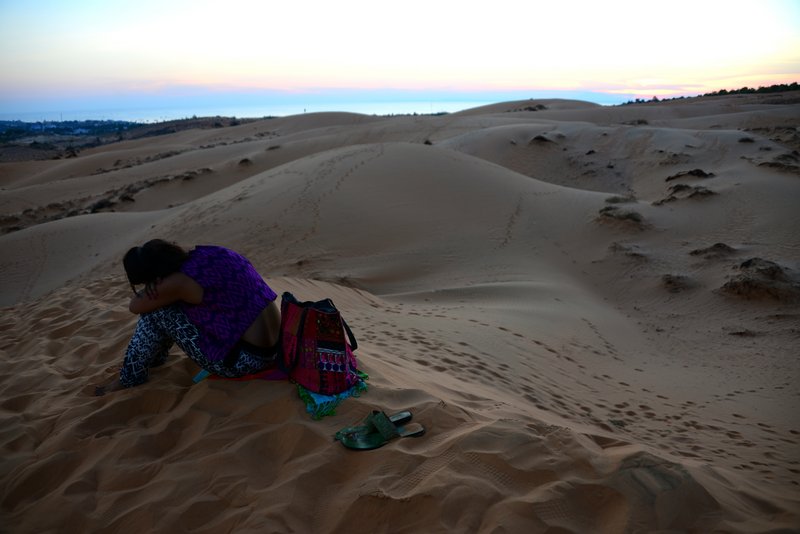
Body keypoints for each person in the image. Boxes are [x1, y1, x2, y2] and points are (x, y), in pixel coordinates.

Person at [95, 239, 281, 395]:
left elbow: (135, 306)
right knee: (167, 304)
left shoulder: (179, 281)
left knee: (156, 312)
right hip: (276, 349)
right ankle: (154, 359)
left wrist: (156, 288)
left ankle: (130, 377)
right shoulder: (211, 253)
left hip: (245, 361)